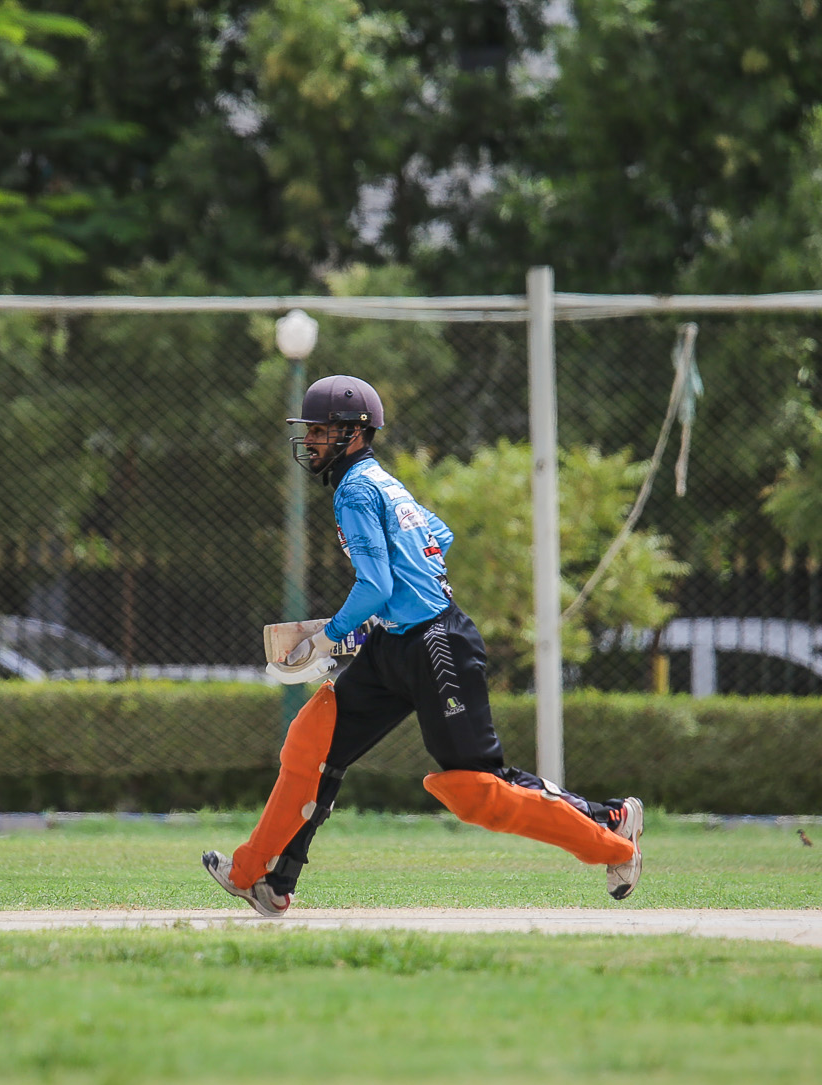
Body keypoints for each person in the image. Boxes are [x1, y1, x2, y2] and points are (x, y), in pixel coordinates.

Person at [203, 375, 643, 916]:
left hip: (437, 645)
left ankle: (613, 833)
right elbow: (439, 537)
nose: (310, 440)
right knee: (313, 744)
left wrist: (329, 636)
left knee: (475, 787)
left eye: (320, 431)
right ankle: (263, 879)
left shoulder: (356, 490)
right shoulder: (381, 482)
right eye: (309, 430)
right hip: (396, 641)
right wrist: (388, 608)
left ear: (353, 433)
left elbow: (375, 585)